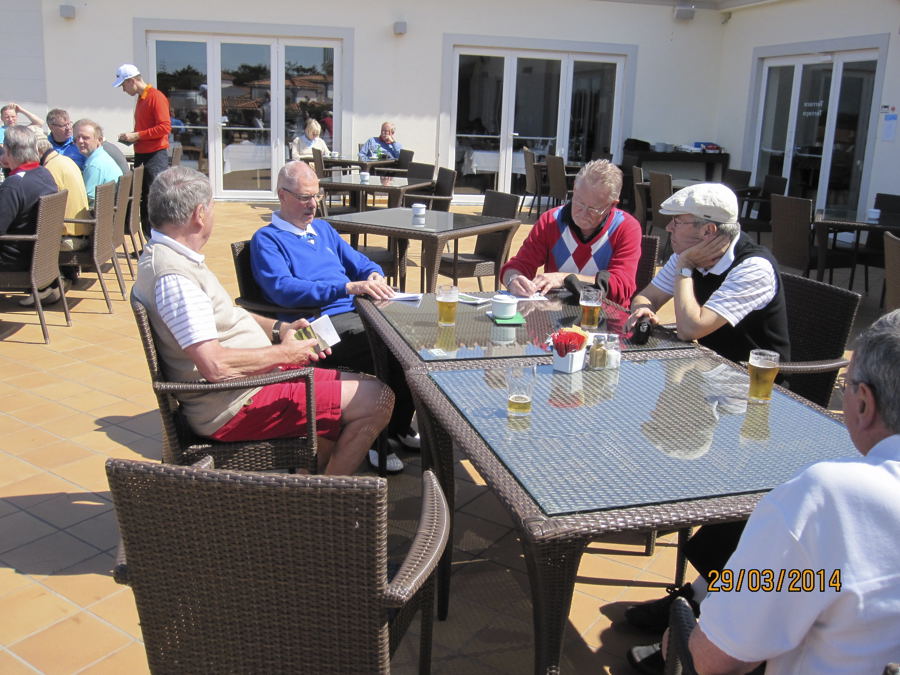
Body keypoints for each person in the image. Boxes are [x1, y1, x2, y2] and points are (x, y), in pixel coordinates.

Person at [629, 310, 900, 675]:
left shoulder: (828, 497)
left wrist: (684, 636)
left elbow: (713, 660)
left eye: (845, 386)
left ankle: (702, 597)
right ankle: (705, 591)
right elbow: (824, 582)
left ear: (864, 402)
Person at [622, 182, 791, 670]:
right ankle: (695, 599)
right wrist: (643, 307)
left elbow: (692, 326)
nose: (669, 227)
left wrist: (684, 271)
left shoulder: (752, 267)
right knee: (638, 428)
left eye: (678, 222)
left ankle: (699, 620)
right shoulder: (690, 254)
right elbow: (645, 296)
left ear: (708, 231)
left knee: (744, 500)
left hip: (759, 403)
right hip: (704, 386)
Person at [133, 166, 392, 476]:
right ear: (200, 214)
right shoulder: (175, 278)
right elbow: (214, 366)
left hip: (252, 382)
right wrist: (284, 354)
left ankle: (311, 481)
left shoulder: (172, 259)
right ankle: (327, 494)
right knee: (377, 399)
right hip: (236, 402)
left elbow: (229, 317)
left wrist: (281, 329)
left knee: (365, 386)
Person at [249, 160, 419, 473]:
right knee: (388, 349)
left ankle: (395, 427)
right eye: (304, 197)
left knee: (410, 341)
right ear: (282, 195)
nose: (313, 204)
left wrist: (373, 275)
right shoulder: (268, 239)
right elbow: (283, 290)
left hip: (356, 314)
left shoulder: (323, 230)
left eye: (317, 196)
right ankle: (375, 440)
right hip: (311, 327)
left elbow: (361, 263)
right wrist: (345, 287)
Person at [500, 159, 642, 307]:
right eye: (579, 202)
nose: (583, 213)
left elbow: (621, 287)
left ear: (612, 204)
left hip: (606, 315)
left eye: (593, 209)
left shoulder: (625, 227)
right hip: (555, 314)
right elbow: (518, 265)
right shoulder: (551, 221)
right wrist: (513, 279)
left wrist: (565, 279)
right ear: (574, 189)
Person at [0, 126, 59, 299]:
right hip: (39, 256)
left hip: (14, 260)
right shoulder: (44, 173)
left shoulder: (13, 185)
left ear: (8, 152)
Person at [113, 63, 171, 237]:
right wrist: (133, 136)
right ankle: (150, 241)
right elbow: (149, 127)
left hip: (154, 155)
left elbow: (165, 127)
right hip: (144, 154)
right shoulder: (142, 98)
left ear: (131, 81)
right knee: (145, 199)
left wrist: (137, 135)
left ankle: (157, 241)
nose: (123, 90)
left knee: (153, 199)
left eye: (123, 85)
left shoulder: (156, 97)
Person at [73, 119, 123, 207]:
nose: (80, 141)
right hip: (110, 210)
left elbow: (88, 202)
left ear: (99, 140)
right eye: (76, 138)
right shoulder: (102, 156)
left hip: (100, 213)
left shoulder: (94, 165)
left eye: (85, 138)